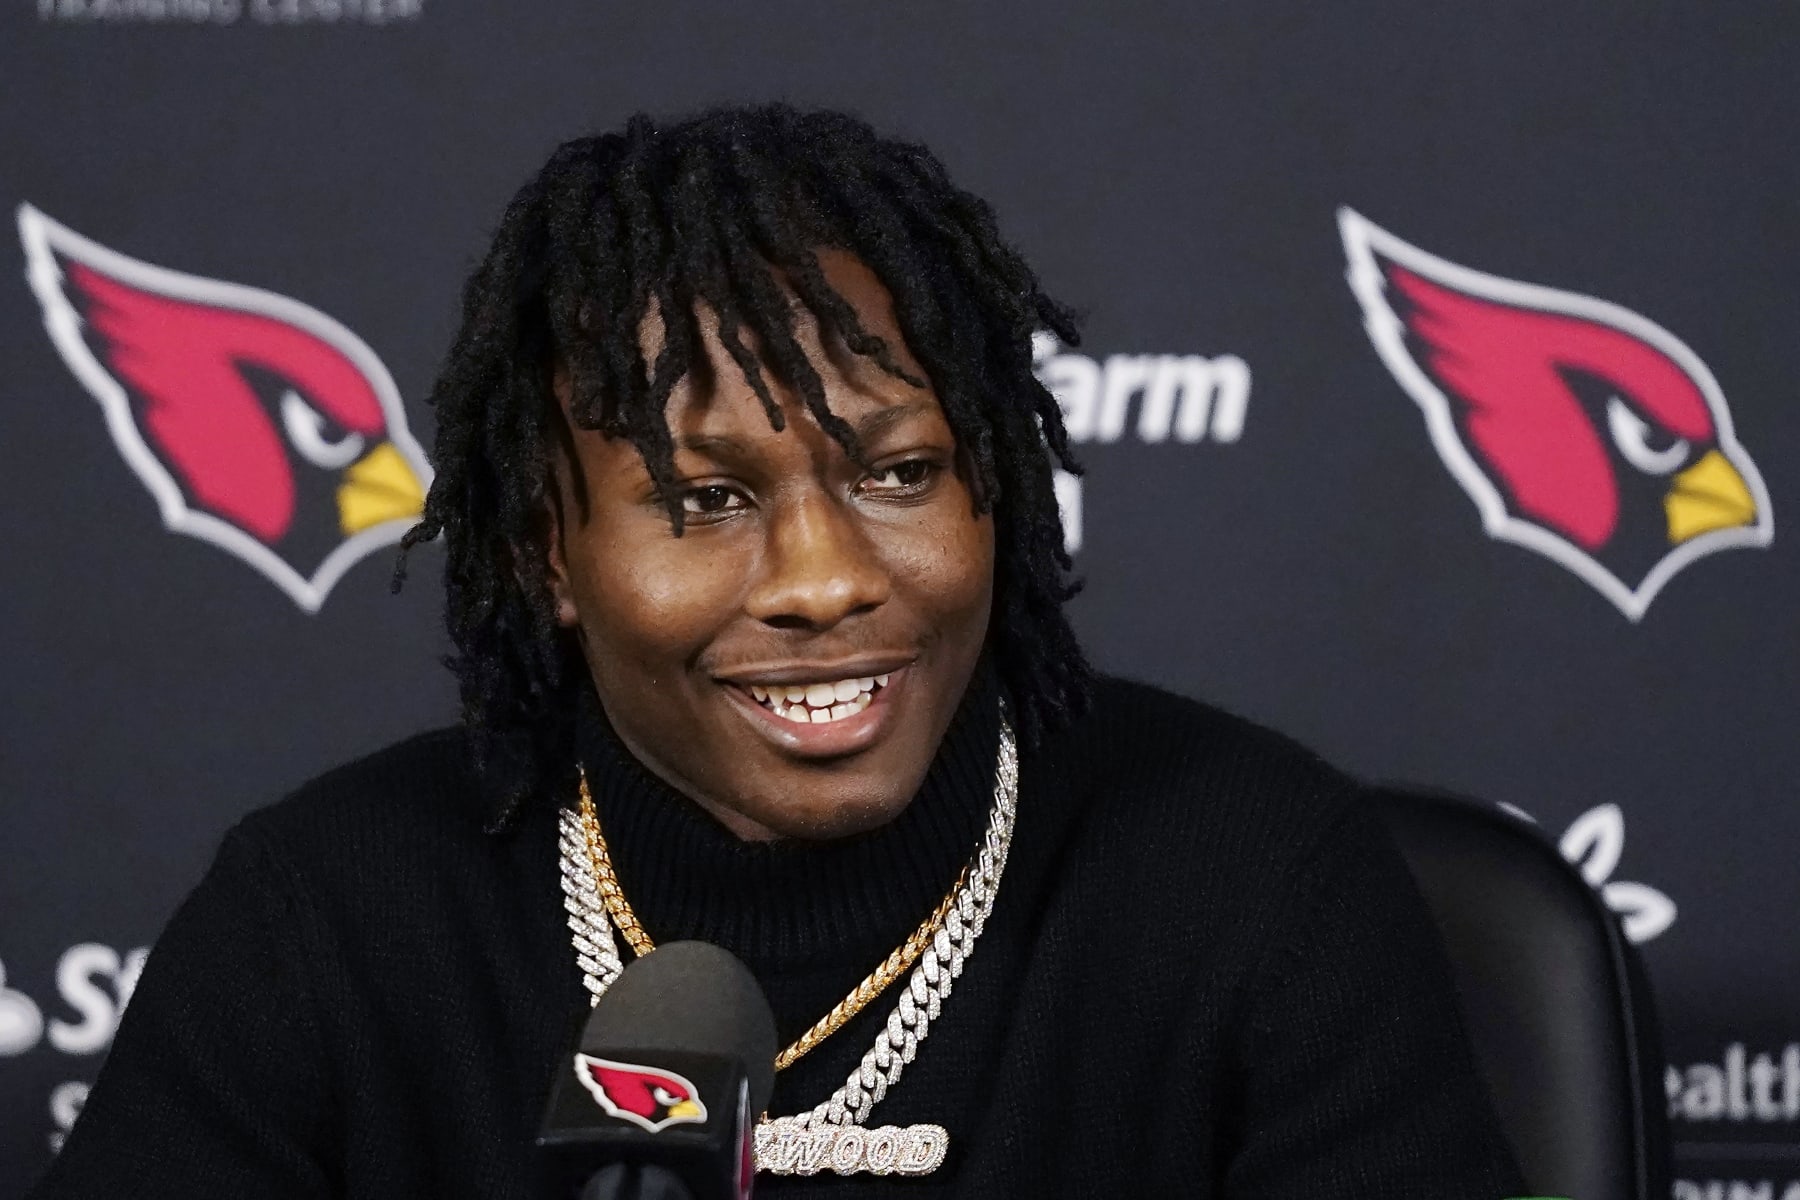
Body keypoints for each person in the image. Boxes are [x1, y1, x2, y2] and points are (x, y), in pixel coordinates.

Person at [30, 105, 1527, 1197]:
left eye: (897, 474)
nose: (824, 579)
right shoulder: (330, 922)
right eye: (707, 499)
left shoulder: (1256, 876)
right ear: (554, 553)